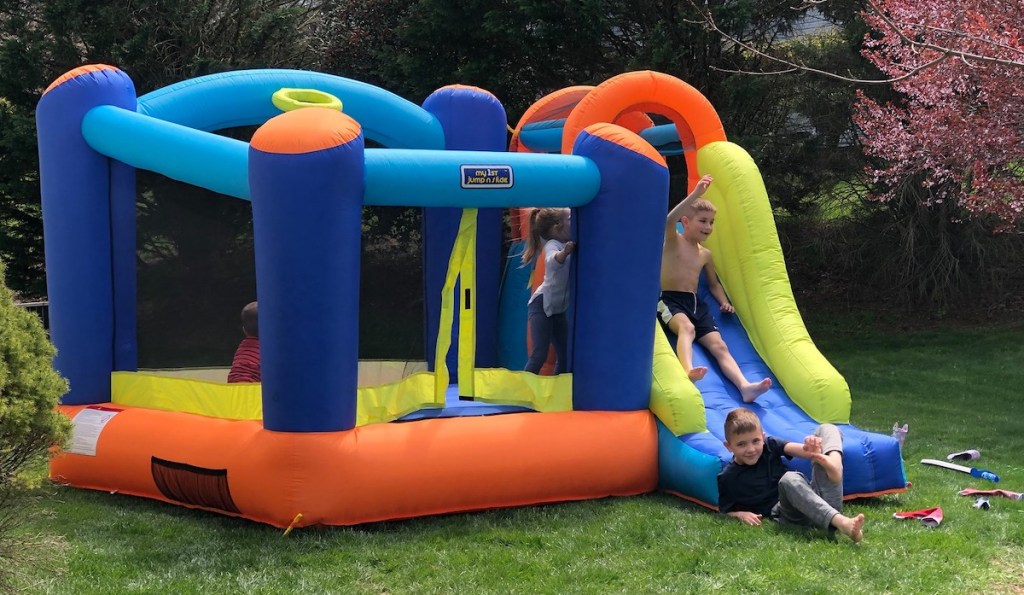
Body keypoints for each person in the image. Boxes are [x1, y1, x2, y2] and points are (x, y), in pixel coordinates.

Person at [658, 174, 771, 403]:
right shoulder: (673, 241)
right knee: (687, 329)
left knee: (719, 345)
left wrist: (722, 302)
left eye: (711, 222)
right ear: (686, 222)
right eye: (703, 220)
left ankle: (745, 386)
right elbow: (669, 220)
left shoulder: (705, 254)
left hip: (696, 303)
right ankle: (687, 370)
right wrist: (697, 194)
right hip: (669, 300)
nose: (708, 226)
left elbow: (713, 284)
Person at [717, 407, 865, 543]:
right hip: (790, 513)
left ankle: (835, 463)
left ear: (763, 437)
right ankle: (842, 522)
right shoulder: (728, 477)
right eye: (741, 444)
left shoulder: (769, 445)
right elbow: (724, 511)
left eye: (756, 441)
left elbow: (803, 451)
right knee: (788, 479)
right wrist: (740, 514)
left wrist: (812, 446)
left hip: (821, 502)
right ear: (728, 446)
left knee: (826, 429)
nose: (750, 449)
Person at [522, 207, 575, 375]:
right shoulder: (554, 245)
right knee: (539, 354)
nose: (574, 222)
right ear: (557, 227)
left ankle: (556, 389)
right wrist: (564, 253)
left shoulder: (570, 243)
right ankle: (526, 390)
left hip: (557, 311)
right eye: (570, 219)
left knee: (566, 354)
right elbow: (552, 261)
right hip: (541, 306)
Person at [227, 301, 260, 383]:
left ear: (244, 330)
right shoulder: (268, 349)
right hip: (252, 388)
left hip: (233, 387)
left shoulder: (243, 346)